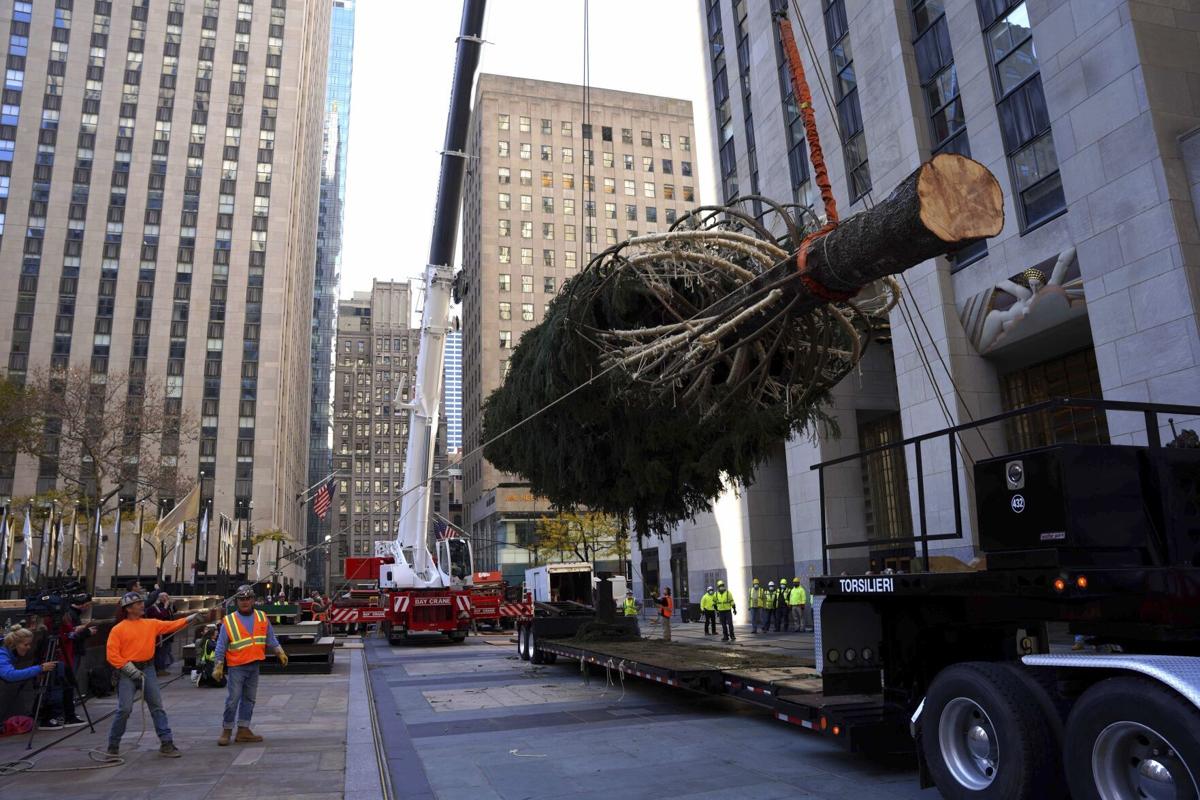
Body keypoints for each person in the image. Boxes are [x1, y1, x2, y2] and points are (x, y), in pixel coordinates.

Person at [106, 591, 199, 758]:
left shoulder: (150, 624)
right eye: (138, 603)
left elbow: (170, 625)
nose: (142, 605)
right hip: (128, 671)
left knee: (157, 706)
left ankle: (166, 742)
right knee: (124, 709)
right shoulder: (118, 630)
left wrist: (187, 619)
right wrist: (127, 668)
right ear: (128, 608)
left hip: (147, 668)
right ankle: (113, 745)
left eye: (142, 602)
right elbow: (112, 654)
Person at [211, 585, 288, 746]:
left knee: (249, 699)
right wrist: (218, 665)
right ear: (237, 601)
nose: (245, 602)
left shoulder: (261, 617)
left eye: (247, 599)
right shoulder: (229, 621)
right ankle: (226, 730)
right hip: (237, 667)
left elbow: (271, 638)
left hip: (254, 665)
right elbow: (221, 645)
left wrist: (279, 652)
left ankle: (243, 730)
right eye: (241, 599)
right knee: (233, 699)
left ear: (253, 600)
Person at [1, 627, 57, 725]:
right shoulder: (2, 654)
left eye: (29, 644)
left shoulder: (6, 651)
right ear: (14, 645)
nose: (29, 647)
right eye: (25, 644)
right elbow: (10, 675)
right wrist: (40, 668)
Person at [145, 590, 177, 677]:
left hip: (167, 630)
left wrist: (170, 605)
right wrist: (166, 606)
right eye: (165, 596)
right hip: (161, 632)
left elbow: (173, 611)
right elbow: (161, 616)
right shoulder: (153, 608)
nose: (167, 598)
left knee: (165, 650)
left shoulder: (161, 606)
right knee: (161, 651)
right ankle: (160, 668)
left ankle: (162, 666)